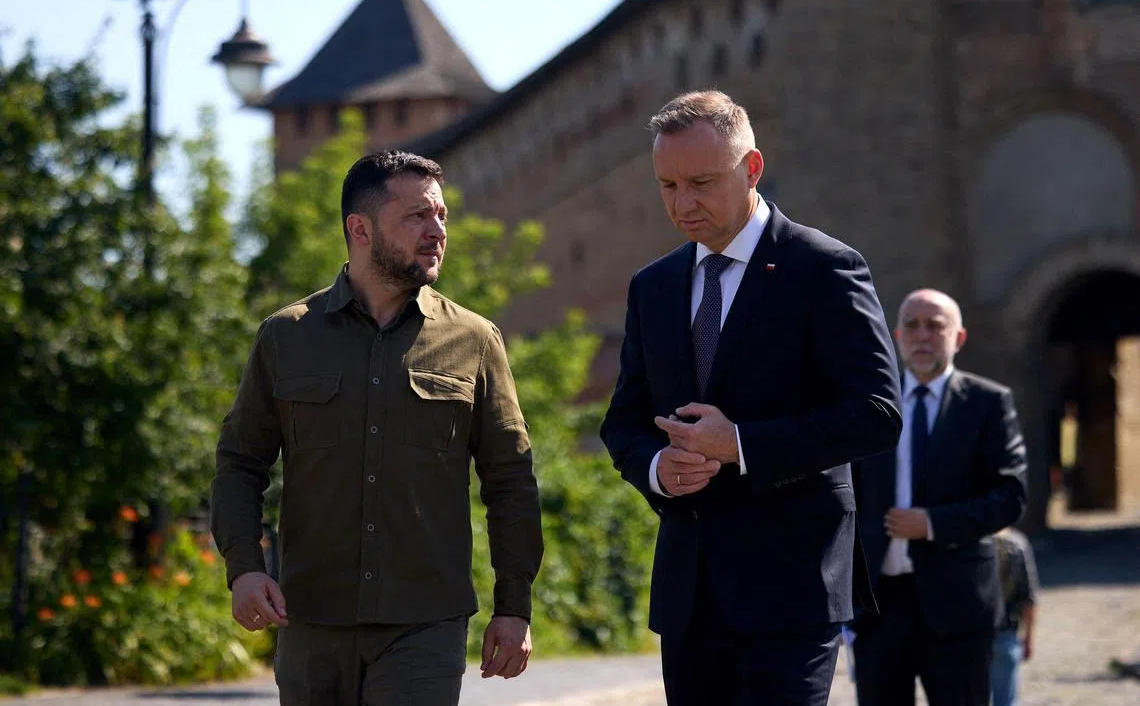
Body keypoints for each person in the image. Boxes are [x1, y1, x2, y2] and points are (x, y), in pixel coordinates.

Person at [599, 89, 903, 705]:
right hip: (691, 595)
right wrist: (657, 468)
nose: (683, 203)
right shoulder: (652, 286)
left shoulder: (824, 268)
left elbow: (877, 414)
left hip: (795, 586)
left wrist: (740, 444)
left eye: (701, 183)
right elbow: (624, 423)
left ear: (753, 168)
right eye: (668, 186)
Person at [210, 151, 543, 706]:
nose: (437, 231)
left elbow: (510, 480)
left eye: (441, 215)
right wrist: (244, 567)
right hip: (310, 621)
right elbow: (240, 463)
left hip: (425, 625)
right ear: (359, 229)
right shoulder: (286, 337)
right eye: (416, 216)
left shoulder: (475, 341)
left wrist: (514, 606)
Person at [852, 288, 1029, 706]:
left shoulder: (988, 403)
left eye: (935, 326)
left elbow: (1011, 496)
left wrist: (932, 524)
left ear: (959, 337)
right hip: (879, 604)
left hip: (958, 604)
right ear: (897, 336)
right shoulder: (869, 406)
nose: (922, 336)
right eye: (911, 326)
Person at [991, 526, 1039, 706]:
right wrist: (1028, 638)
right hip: (1006, 632)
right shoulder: (1017, 543)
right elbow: (1029, 598)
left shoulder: (970, 540)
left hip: (971, 636)